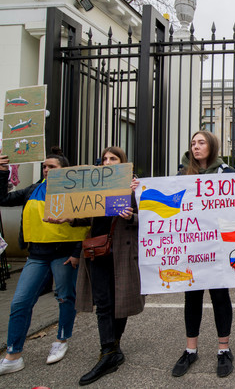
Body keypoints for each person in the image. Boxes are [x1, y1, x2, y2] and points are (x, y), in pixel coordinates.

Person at [0, 150, 89, 376]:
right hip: (37, 255)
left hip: (64, 254)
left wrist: (77, 252)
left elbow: (86, 223)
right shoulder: (33, 189)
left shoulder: (75, 192)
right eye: (45, 167)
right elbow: (3, 199)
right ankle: (13, 354)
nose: (46, 170)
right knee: (20, 302)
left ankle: (61, 339)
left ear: (64, 171)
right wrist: (1, 173)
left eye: (52, 167)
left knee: (65, 296)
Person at [75, 147, 145, 385]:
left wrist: (131, 216)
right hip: (97, 251)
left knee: (120, 303)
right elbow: (84, 214)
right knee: (104, 303)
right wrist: (67, 216)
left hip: (122, 253)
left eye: (113, 159)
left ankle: (113, 349)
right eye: (104, 159)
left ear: (123, 163)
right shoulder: (95, 187)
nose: (107, 162)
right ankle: (108, 351)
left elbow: (150, 218)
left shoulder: (134, 188)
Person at [171, 131, 235, 378]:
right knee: (192, 298)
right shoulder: (181, 176)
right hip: (192, 249)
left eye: (201, 142)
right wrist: (139, 191)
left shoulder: (226, 174)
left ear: (212, 146)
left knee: (220, 297)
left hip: (218, 250)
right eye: (192, 143)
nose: (196, 147)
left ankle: (223, 349)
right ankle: (190, 350)